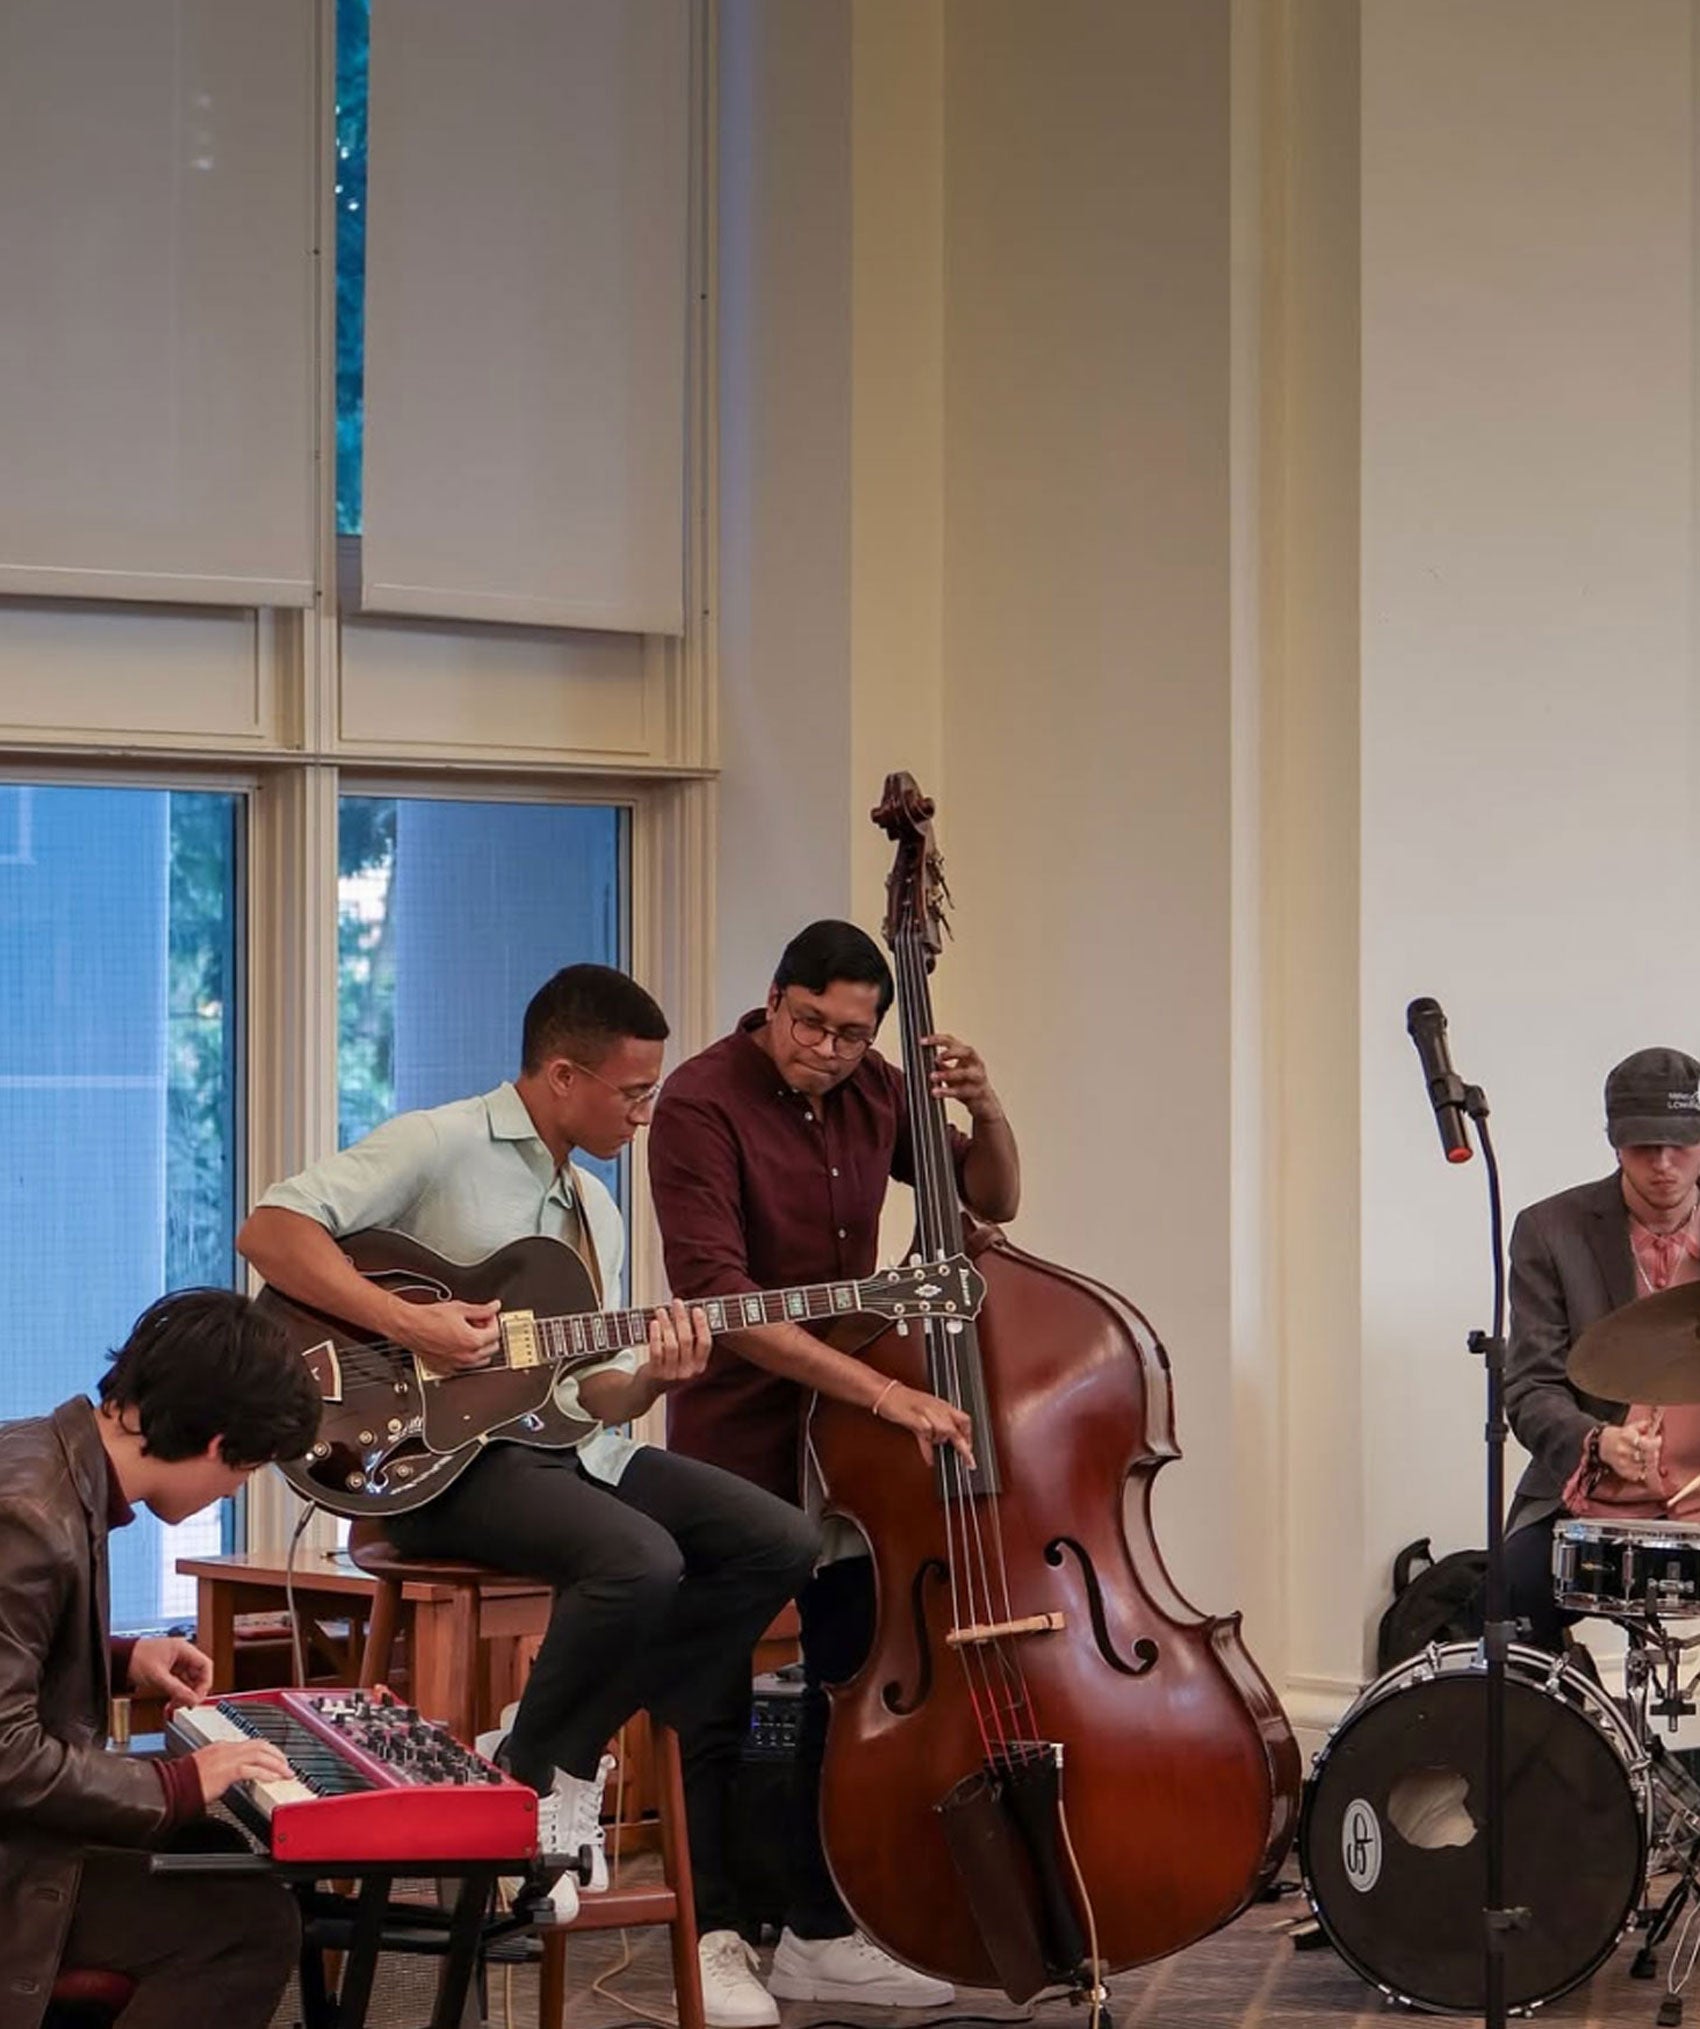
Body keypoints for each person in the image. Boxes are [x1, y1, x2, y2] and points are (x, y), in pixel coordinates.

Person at [237, 963, 819, 1925]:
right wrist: (410, 1323)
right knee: (640, 1558)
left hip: (561, 1454)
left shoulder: (596, 1209)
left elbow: (589, 1390)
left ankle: (551, 1744)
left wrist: (653, 1379)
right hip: (424, 1462)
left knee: (780, 1542)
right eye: (633, 1092)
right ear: (561, 1076)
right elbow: (272, 1231)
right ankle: (541, 1769)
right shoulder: (441, 1141)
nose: (647, 1112)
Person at [648, 919, 1021, 2024]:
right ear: (771, 1001)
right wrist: (886, 1391)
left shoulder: (875, 1089)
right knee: (708, 1691)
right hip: (738, 1434)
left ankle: (819, 1927)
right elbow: (721, 1298)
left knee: (844, 1678)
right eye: (808, 1022)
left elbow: (984, 1204)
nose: (826, 1046)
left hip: (852, 1449)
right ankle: (710, 1931)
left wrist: (984, 1106)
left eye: (852, 1032)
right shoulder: (698, 1101)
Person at [0, 1287, 320, 2029]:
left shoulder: (41, 1456)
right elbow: (6, 1752)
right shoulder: (30, 1516)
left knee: (210, 1851)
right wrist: (175, 1782)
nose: (234, 1488)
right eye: (246, 1470)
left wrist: (122, 1656)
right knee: (248, 1924)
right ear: (217, 1444)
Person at [1504, 1045, 1700, 1649]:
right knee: (1507, 1599)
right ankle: (1554, 1741)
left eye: (1680, 1145)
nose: (1663, 1164)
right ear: (1614, 1142)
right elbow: (1530, 1386)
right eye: (1644, 1147)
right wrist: (1598, 1443)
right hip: (1596, 1495)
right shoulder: (1551, 1230)